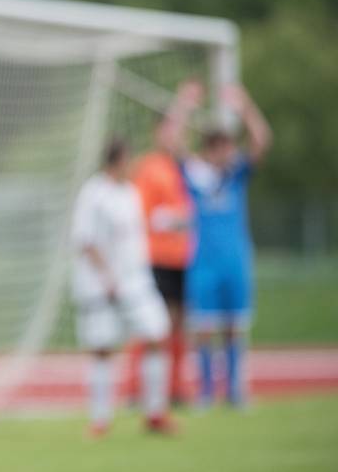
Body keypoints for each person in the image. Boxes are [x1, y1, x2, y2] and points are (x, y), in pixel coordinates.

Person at [70, 139, 174, 436]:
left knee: (157, 334)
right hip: (101, 286)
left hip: (136, 282)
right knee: (102, 348)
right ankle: (100, 420)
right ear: (117, 160)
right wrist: (107, 277)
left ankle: (155, 413)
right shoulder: (94, 192)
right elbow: (85, 240)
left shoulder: (130, 193)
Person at [179, 83, 272, 407]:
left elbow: (262, 140)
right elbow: (170, 143)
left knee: (236, 325)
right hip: (204, 261)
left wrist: (244, 104)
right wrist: (185, 104)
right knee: (204, 327)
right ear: (210, 148)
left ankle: (234, 391)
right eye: (222, 147)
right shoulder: (195, 175)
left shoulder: (237, 174)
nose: (228, 152)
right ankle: (205, 391)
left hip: (235, 259)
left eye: (231, 146)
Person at [124, 82, 201, 406]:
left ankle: (175, 387)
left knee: (179, 326)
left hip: (183, 257)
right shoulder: (149, 167)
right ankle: (135, 387)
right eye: (168, 128)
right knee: (152, 324)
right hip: (156, 257)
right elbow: (141, 213)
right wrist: (182, 103)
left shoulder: (187, 166)